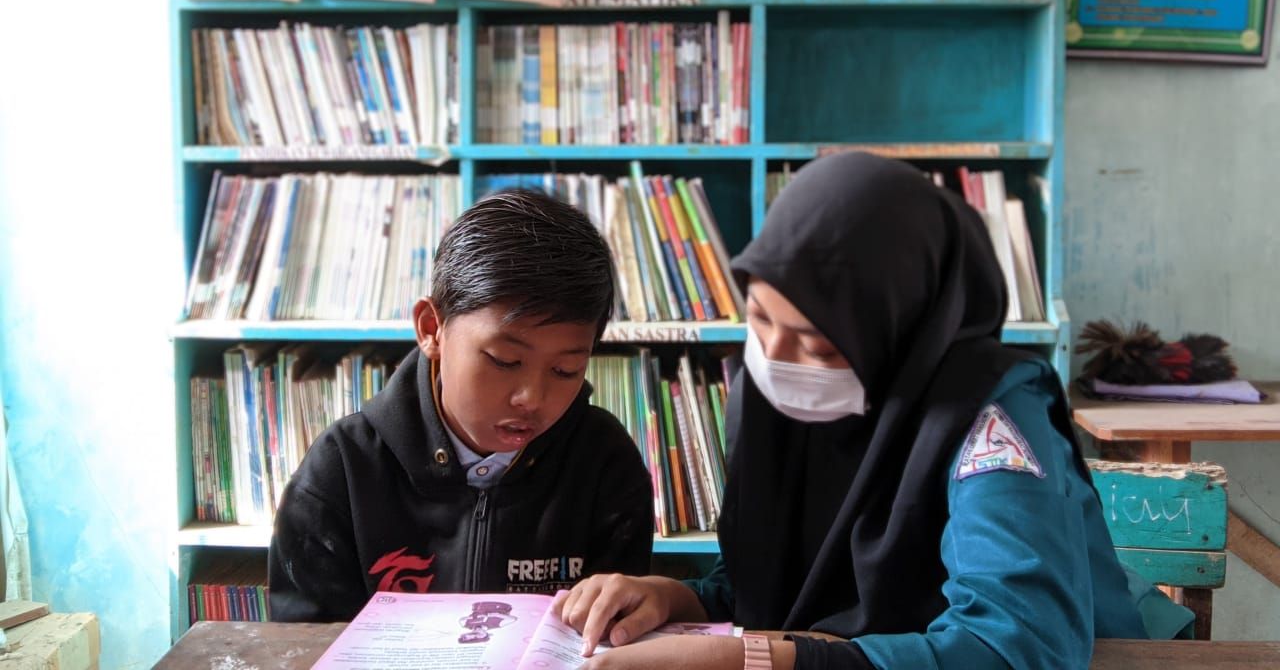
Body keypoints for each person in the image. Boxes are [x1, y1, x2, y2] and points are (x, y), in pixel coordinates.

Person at [555, 152, 1192, 669]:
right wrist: (676, 596)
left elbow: (1014, 646)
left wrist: (750, 659)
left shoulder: (993, 414)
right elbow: (780, 583)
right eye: (759, 319)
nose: (776, 359)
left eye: (820, 343)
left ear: (897, 331)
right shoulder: (766, 386)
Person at [269, 189, 654, 621]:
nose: (531, 398)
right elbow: (304, 641)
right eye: (504, 361)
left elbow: (614, 635)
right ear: (432, 329)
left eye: (565, 370)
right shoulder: (344, 466)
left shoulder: (603, 462)